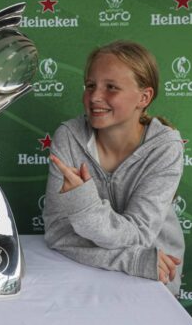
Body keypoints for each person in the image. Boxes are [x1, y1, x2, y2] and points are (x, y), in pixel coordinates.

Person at [43, 40, 184, 295]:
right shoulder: (68, 136)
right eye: (90, 85)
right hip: (87, 275)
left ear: (144, 97)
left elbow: (141, 235)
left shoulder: (165, 147)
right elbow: (57, 232)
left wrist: (83, 205)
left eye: (111, 87)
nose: (95, 97)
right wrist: (132, 260)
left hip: (156, 275)